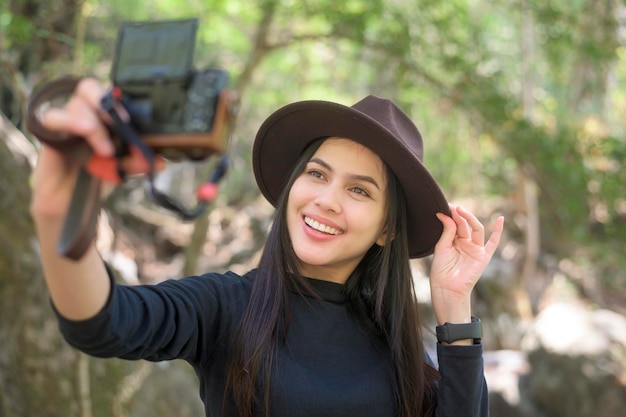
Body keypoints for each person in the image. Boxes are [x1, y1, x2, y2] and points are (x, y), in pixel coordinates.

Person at [30, 78, 504, 417]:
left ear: (387, 230)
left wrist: (455, 308)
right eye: (317, 174)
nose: (326, 199)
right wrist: (59, 218)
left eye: (359, 191)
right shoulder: (226, 306)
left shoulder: (404, 349)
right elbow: (102, 322)